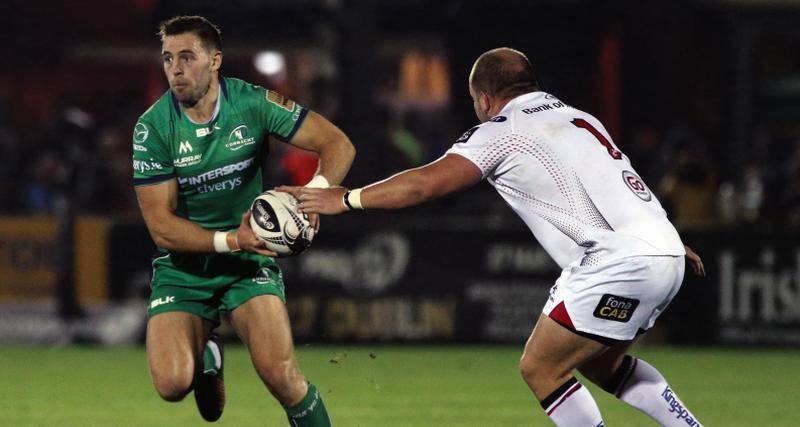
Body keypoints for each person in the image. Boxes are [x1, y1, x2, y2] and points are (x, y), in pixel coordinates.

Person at [280, 47, 706, 426]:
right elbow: (618, 183)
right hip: (663, 249)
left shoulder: (503, 131)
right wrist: (665, 241)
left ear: (484, 99)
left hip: (618, 262)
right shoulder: (579, 118)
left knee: (541, 368)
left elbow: (423, 185)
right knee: (601, 366)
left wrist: (347, 198)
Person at [132, 16, 354, 426]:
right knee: (172, 384)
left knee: (282, 377)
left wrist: (312, 195)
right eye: (167, 59)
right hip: (186, 267)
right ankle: (207, 356)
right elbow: (161, 227)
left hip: (247, 265)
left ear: (215, 60)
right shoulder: (153, 128)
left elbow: (337, 143)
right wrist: (233, 239)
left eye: (186, 57)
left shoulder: (252, 104)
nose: (175, 69)